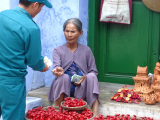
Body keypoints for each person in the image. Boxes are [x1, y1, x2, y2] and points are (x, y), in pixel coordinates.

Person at [0, 0, 52, 120]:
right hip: (11, 81)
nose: (40, 11)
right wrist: (43, 66)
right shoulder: (31, 28)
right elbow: (34, 61)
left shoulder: (2, 15)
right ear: (35, 4)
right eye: (41, 7)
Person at [48, 18, 99, 117]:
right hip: (64, 86)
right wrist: (58, 70)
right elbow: (57, 66)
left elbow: (93, 71)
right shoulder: (57, 50)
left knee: (92, 76)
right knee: (63, 77)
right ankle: (57, 111)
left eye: (73, 32)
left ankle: (95, 114)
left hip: (82, 86)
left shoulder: (86, 50)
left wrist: (84, 77)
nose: (69, 34)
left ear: (80, 33)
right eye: (67, 31)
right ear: (63, 31)